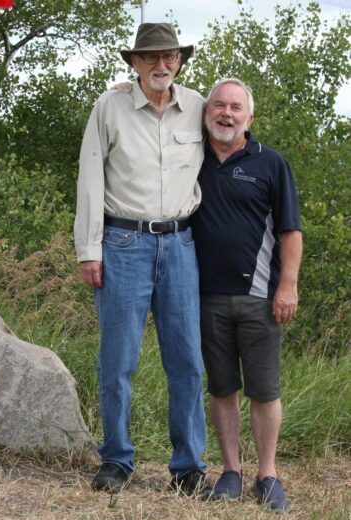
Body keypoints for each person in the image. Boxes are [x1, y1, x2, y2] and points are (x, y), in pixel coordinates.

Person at [74, 23, 210, 497]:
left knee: (188, 360)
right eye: (150, 57)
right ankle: (116, 459)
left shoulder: (197, 107)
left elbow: (232, 135)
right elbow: (90, 179)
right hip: (122, 246)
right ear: (133, 63)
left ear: (179, 60)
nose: (161, 65)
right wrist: (89, 250)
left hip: (181, 246)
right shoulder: (108, 107)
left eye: (169, 56)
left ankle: (189, 466)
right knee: (118, 362)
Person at [191, 78, 302, 513]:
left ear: (249, 118)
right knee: (221, 389)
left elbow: (290, 231)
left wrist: (287, 285)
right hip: (204, 298)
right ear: (206, 113)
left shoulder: (271, 164)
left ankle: (267, 476)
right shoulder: (190, 157)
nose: (226, 113)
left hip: (260, 298)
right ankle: (231, 471)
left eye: (236, 107)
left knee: (264, 390)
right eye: (218, 105)